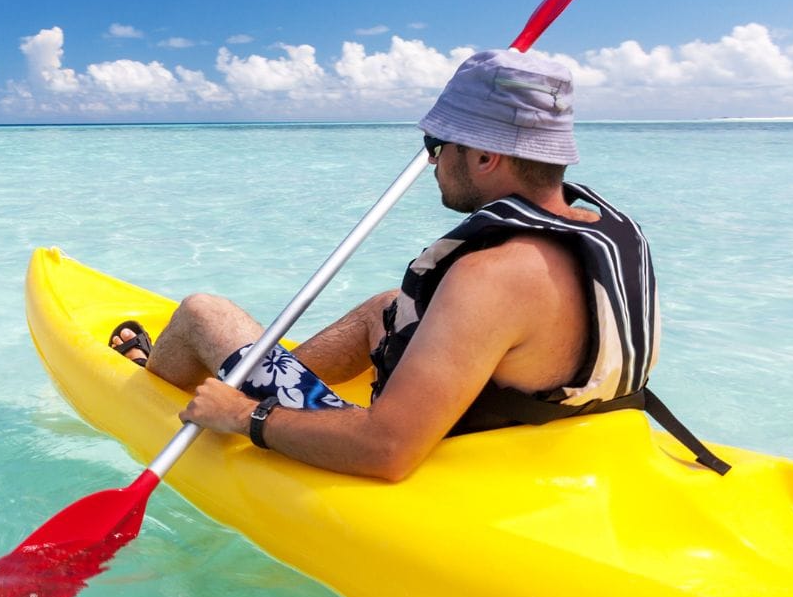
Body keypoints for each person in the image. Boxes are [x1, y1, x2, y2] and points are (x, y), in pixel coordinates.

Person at [109, 49, 668, 482]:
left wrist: (245, 418)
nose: (430, 162)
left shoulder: (494, 276)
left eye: (435, 143)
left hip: (441, 454)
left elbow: (389, 451)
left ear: (485, 156)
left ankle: (167, 384)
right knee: (389, 306)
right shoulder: (606, 228)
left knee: (203, 312)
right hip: (543, 426)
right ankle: (265, 377)